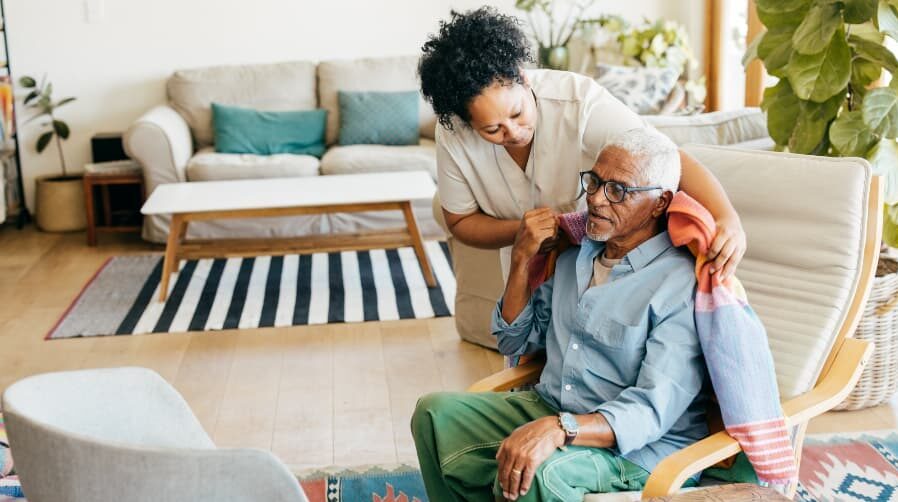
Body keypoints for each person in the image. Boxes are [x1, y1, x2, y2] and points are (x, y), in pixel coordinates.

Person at [410, 128, 709, 501]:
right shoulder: (577, 253)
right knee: (435, 415)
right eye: (594, 182)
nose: (597, 199)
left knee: (540, 472)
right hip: (553, 407)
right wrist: (520, 259)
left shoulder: (678, 284)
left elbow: (651, 411)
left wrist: (559, 429)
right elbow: (515, 340)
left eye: (618, 191)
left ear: (660, 203)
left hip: (638, 448)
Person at [418, 7, 745, 280]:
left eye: (518, 113)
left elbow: (666, 157)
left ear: (523, 76)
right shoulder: (454, 135)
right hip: (524, 269)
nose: (514, 132)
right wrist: (522, 231)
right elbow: (460, 221)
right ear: (465, 121)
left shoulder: (579, 103)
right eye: (492, 130)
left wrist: (726, 218)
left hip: (603, 259)